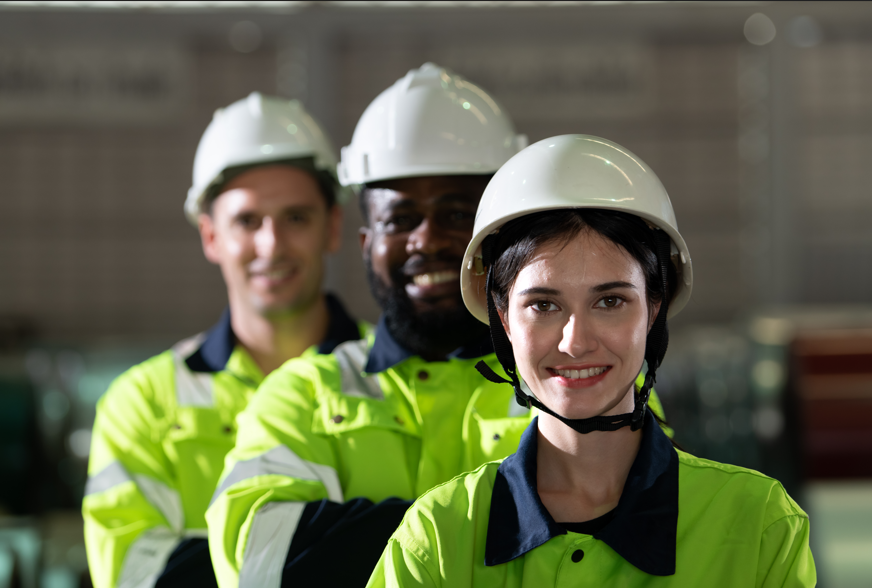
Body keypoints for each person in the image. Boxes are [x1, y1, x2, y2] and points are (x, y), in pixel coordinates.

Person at [206, 66, 667, 588]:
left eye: (455, 215)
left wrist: (352, 532)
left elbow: (626, 552)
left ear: (495, 242)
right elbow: (260, 567)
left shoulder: (579, 375)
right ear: (366, 244)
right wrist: (512, 529)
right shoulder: (297, 397)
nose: (427, 240)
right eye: (401, 219)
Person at [367, 134, 817, 587]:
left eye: (610, 302)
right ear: (503, 319)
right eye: (543, 305)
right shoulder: (438, 536)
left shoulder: (758, 524)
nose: (575, 342)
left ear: (653, 309)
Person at [82, 93, 367, 588]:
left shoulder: (399, 374)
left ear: (333, 227)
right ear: (211, 236)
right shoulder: (142, 403)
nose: (271, 244)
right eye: (247, 221)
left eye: (296, 217)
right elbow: (136, 575)